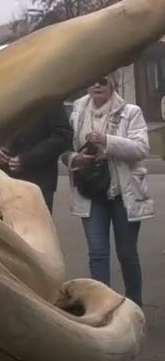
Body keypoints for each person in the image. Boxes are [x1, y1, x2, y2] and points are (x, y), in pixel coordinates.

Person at [63, 75, 153, 307]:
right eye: (92, 81)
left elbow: (141, 149)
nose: (96, 85)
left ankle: (134, 304)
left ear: (112, 84)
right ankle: (101, 305)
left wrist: (106, 140)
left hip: (122, 193)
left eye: (102, 81)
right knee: (98, 254)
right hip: (91, 193)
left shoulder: (130, 112)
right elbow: (65, 148)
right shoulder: (78, 111)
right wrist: (76, 158)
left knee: (127, 254)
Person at [0, 101, 72, 212]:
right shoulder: (1, 97)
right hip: (1, 180)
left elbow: (63, 136)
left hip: (38, 181)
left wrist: (27, 159)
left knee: (34, 226)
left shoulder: (48, 98)